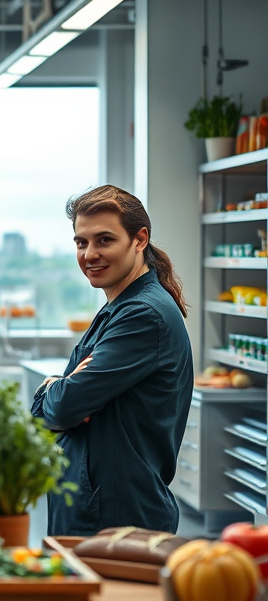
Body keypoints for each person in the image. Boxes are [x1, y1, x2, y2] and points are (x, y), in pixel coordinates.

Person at [32, 185, 193, 536]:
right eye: (81, 242)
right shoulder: (119, 307)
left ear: (139, 240)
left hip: (116, 517)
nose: (90, 254)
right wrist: (63, 393)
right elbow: (60, 409)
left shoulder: (143, 315)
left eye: (104, 240)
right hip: (94, 507)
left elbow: (64, 406)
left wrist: (50, 389)